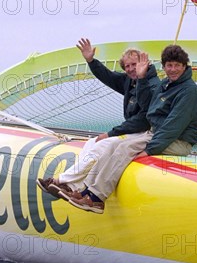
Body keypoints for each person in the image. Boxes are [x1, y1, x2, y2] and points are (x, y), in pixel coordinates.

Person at [37, 38, 158, 214]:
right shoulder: (129, 81)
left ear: (143, 63)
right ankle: (72, 186)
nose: (131, 69)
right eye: (127, 66)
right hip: (131, 131)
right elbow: (108, 76)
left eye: (134, 64)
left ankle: (62, 181)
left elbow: (143, 119)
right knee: (92, 143)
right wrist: (91, 61)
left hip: (143, 132)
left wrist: (111, 133)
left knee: (103, 144)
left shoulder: (152, 85)